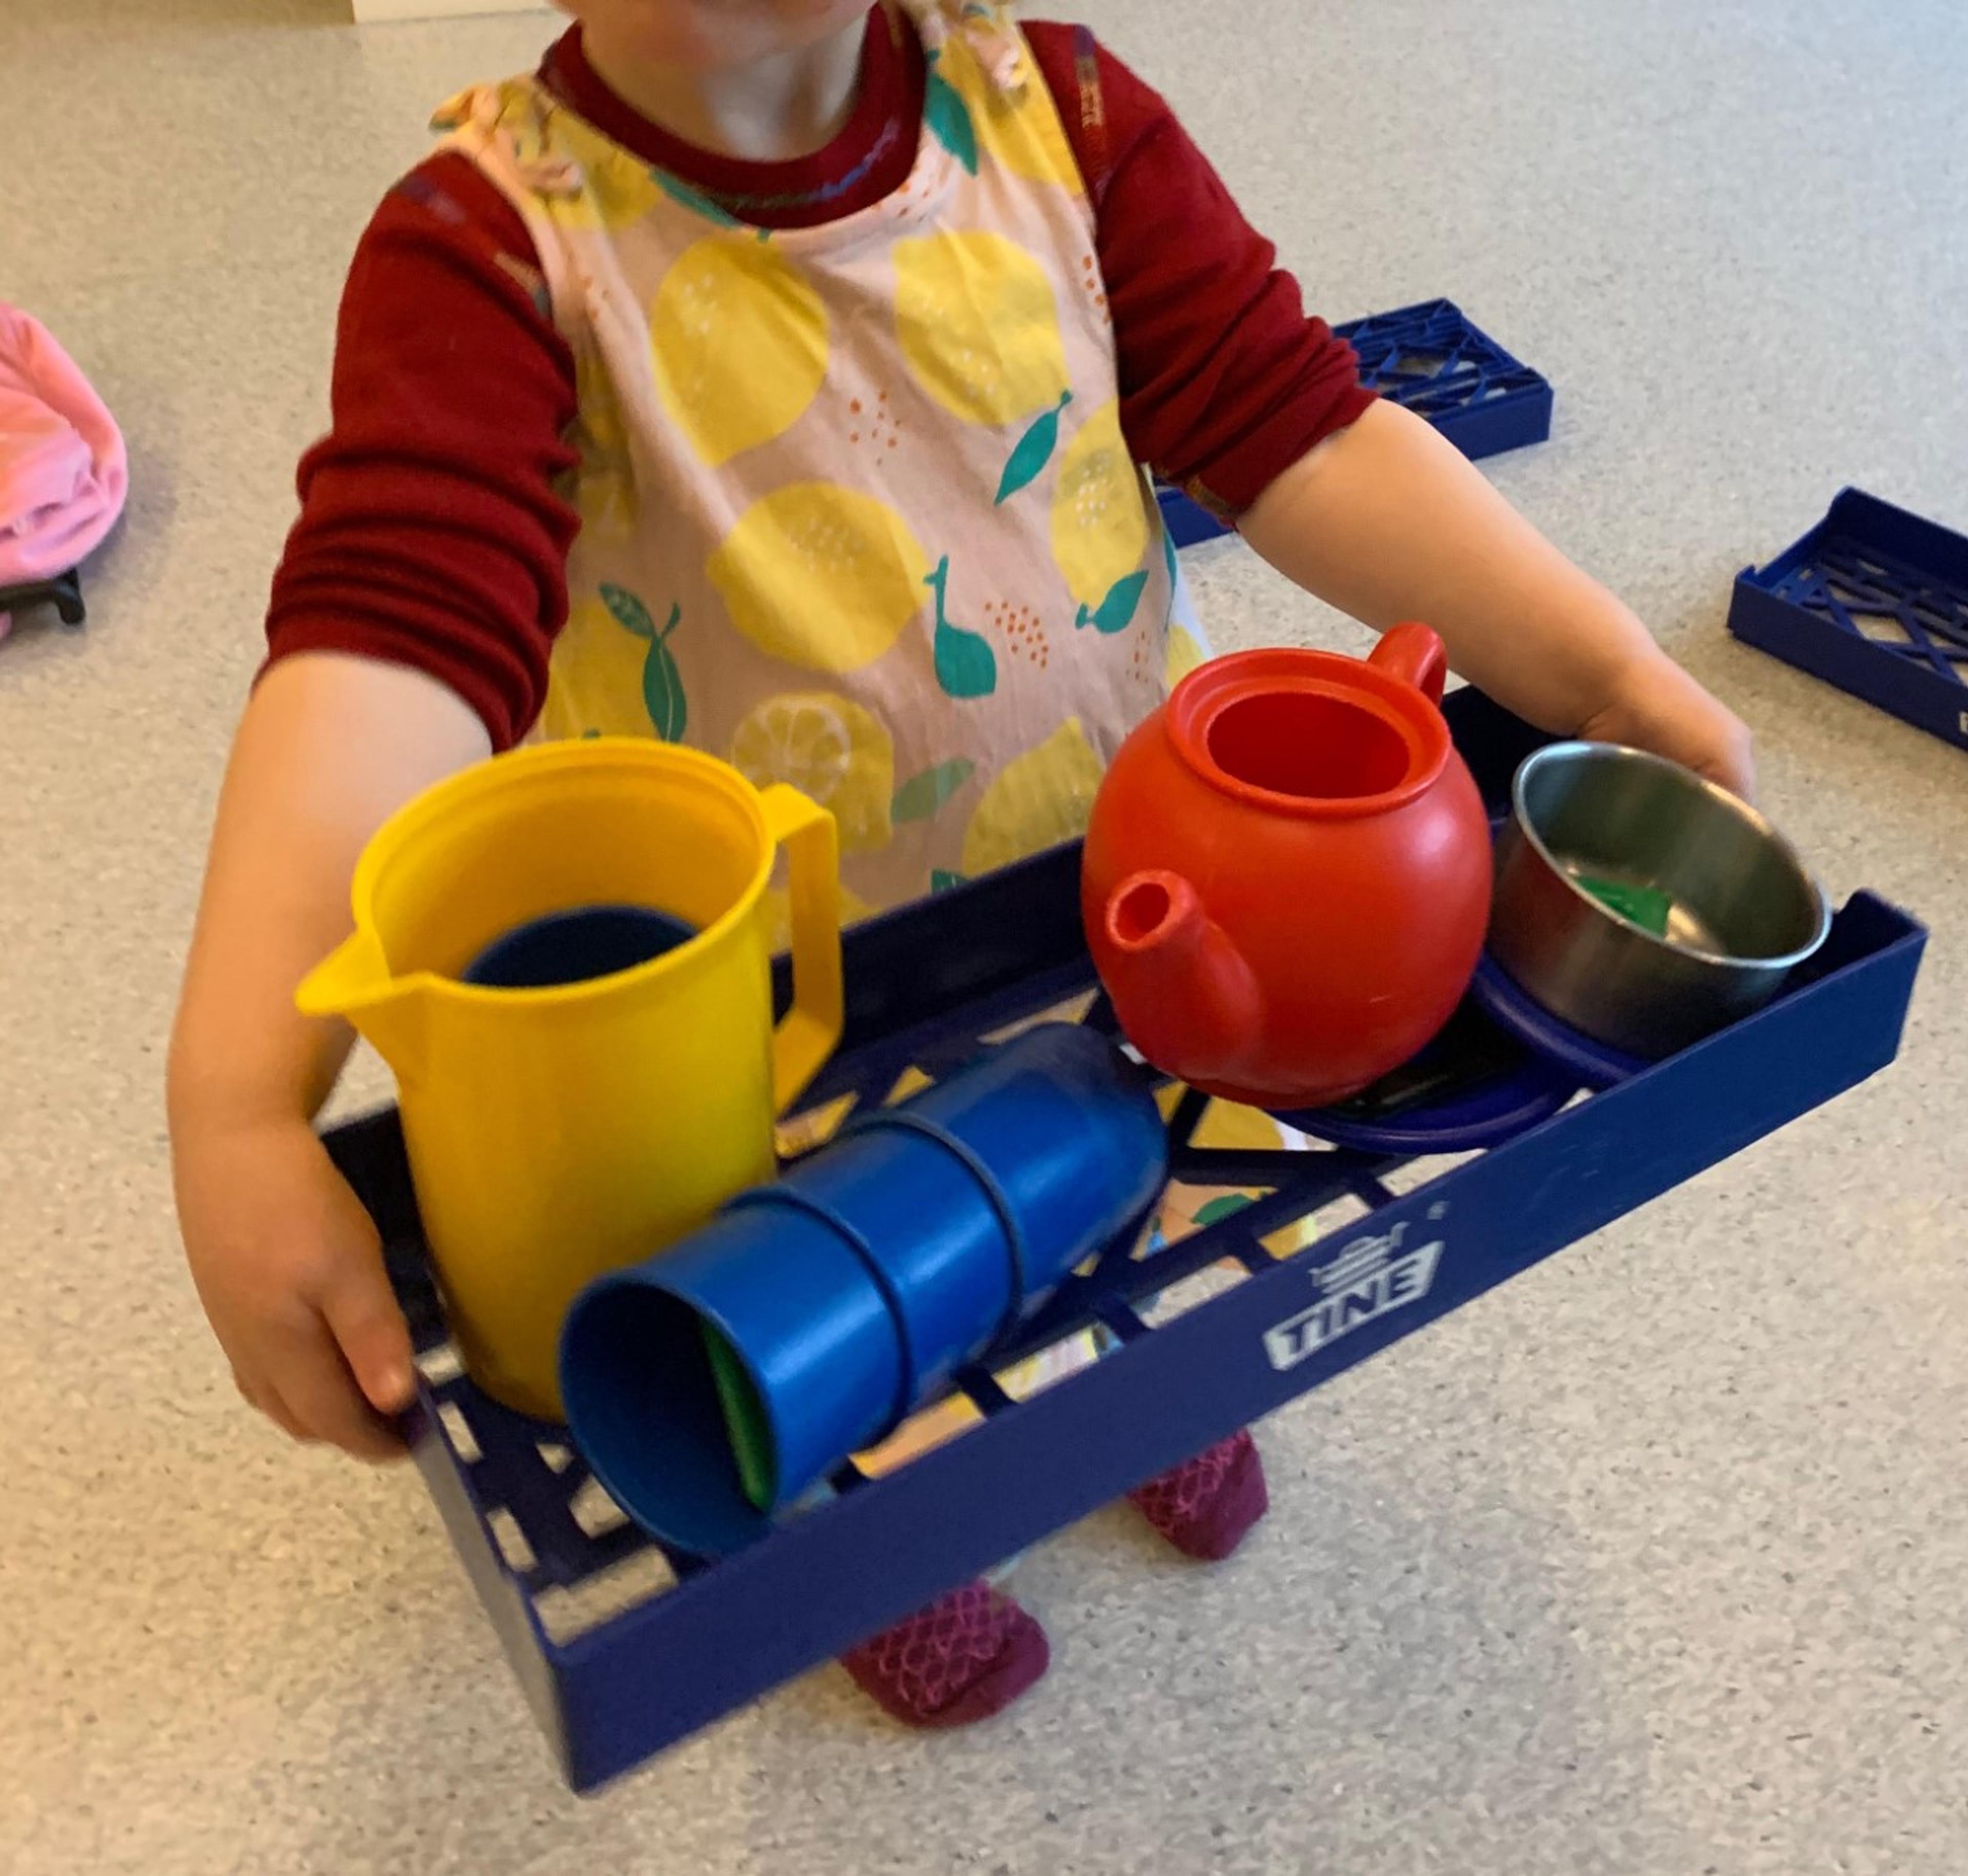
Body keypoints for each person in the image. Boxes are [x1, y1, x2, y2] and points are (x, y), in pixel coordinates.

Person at [167, 0, 1753, 1730]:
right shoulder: (488, 248)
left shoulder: (1056, 111)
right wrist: (240, 1097)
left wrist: (1599, 677)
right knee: (832, 1301)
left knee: (1153, 1174)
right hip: (776, 1011)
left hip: (1127, 896)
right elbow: (389, 647)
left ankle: (1138, 1380)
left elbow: (1303, 433)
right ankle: (882, 1537)